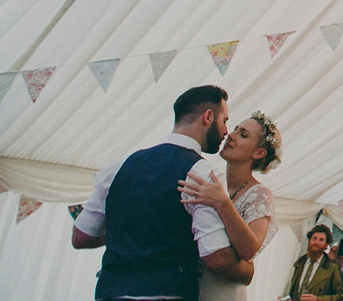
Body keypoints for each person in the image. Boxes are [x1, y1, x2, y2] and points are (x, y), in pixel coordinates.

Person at [72, 84, 254, 300]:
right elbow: (215, 258)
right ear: (208, 117)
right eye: (224, 121)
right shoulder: (203, 173)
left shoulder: (117, 167)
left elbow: (81, 237)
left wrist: (134, 230)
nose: (226, 131)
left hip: (110, 293)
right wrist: (247, 271)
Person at [180, 109, 283, 301]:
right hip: (190, 285)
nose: (231, 136)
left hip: (223, 290)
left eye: (243, 134)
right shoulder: (213, 181)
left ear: (259, 153)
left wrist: (223, 203)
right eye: (235, 129)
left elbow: (248, 249)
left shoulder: (260, 194)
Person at [285, 224, 343, 301]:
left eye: (321, 240)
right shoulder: (300, 263)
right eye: (314, 238)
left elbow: (341, 297)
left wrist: (318, 299)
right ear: (310, 241)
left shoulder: (332, 267)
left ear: (326, 244)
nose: (316, 242)